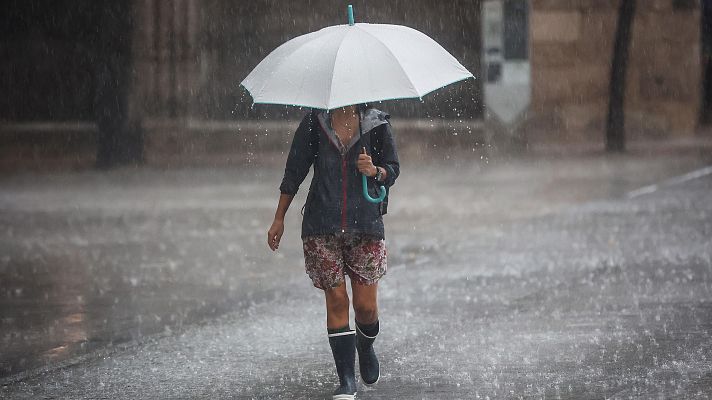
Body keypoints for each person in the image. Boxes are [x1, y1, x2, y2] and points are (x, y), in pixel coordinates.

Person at [267, 103, 399, 400]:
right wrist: (279, 217)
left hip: (365, 223)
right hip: (321, 224)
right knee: (337, 300)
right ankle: (347, 380)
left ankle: (364, 348)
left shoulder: (376, 124)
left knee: (365, 307)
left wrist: (376, 170)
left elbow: (393, 168)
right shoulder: (315, 123)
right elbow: (294, 170)